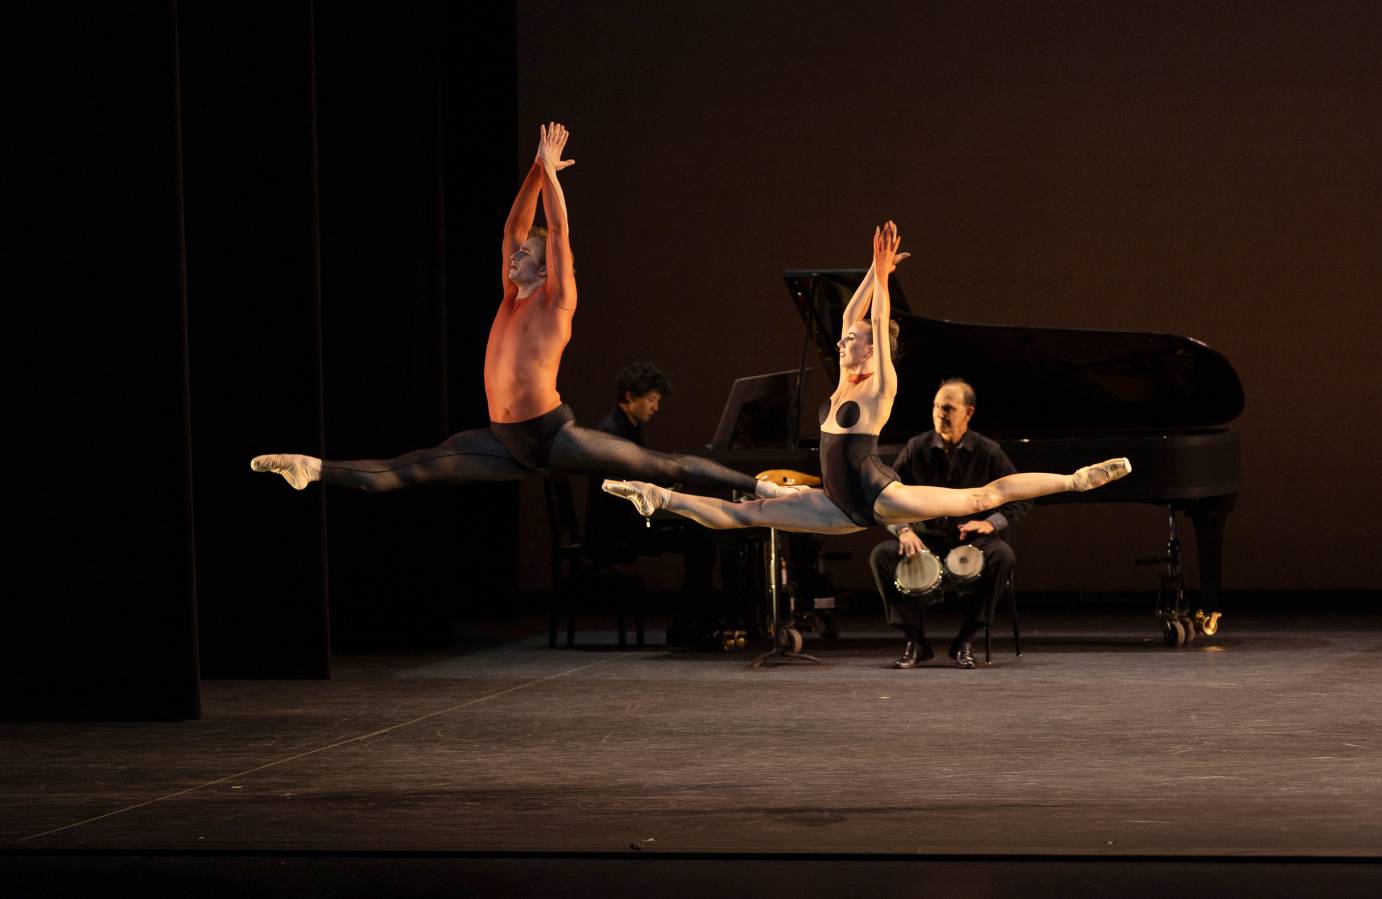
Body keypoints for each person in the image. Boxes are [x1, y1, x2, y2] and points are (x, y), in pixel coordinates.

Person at [250, 123, 790, 501]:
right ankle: (313, 467)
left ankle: (760, 487)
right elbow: (515, 228)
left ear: (544, 267)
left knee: (664, 467)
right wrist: (535, 168)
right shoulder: (511, 297)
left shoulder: (558, 299)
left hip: (553, 434)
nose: (513, 257)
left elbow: (555, 231)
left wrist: (553, 174)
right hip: (501, 440)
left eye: (525, 257)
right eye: (515, 255)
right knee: (408, 470)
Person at [603, 221, 1130, 540]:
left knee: (978, 498)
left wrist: (881, 277)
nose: (841, 342)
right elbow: (853, 319)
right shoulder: (840, 387)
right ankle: (658, 496)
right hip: (836, 503)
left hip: (879, 495)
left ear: (874, 348)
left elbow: (875, 322)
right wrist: (868, 274)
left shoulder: (881, 384)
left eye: (851, 341)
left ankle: (1075, 480)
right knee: (748, 516)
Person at [869, 379, 1030, 669]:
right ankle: (915, 641)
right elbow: (885, 498)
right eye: (935, 407)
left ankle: (966, 641)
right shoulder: (916, 447)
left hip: (971, 539)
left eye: (947, 408)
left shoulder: (988, 451)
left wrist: (990, 524)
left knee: (1003, 555)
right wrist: (903, 529)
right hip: (925, 538)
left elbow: (1021, 498)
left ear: (968, 412)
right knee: (882, 554)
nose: (939, 413)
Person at [584, 363, 721, 647]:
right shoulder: (613, 434)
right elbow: (620, 492)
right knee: (700, 540)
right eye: (651, 399)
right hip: (616, 532)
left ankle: (695, 623)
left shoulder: (628, 428)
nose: (655, 407)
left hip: (626, 523)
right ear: (630, 396)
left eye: (657, 400)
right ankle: (688, 627)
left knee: (700, 536)